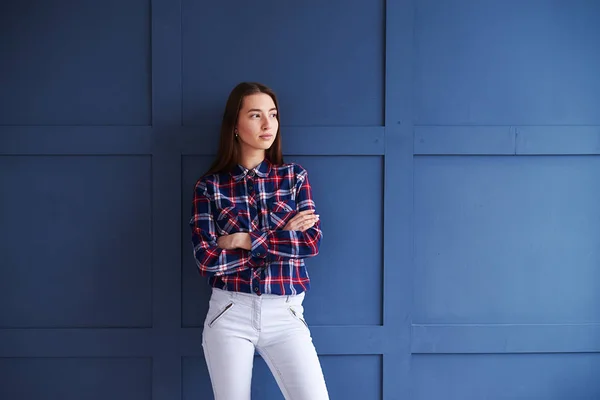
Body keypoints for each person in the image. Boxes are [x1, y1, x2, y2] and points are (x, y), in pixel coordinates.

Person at [189, 82, 329, 400]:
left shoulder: (294, 177)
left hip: (286, 314)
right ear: (235, 126)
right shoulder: (210, 187)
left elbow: (310, 242)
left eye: (273, 114)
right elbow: (207, 260)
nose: (268, 125)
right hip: (229, 312)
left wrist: (242, 240)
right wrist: (282, 238)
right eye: (255, 115)